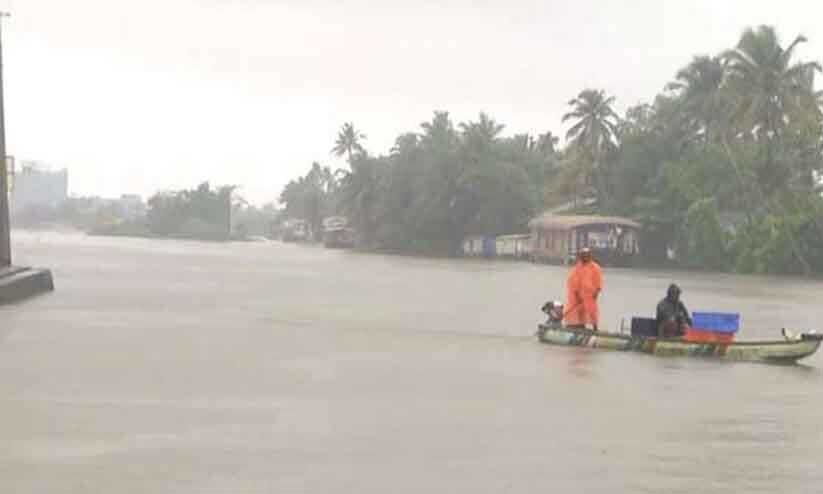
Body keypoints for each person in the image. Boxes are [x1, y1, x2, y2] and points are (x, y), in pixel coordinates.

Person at [564, 247, 603, 331]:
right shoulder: (577, 267)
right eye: (583, 255)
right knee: (577, 311)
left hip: (590, 295)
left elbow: (598, 281)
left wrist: (596, 292)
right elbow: (572, 280)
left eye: (587, 255)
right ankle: (579, 325)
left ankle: (595, 328)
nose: (585, 257)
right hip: (577, 295)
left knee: (592, 312)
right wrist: (576, 292)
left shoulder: (595, 267)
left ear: (590, 256)